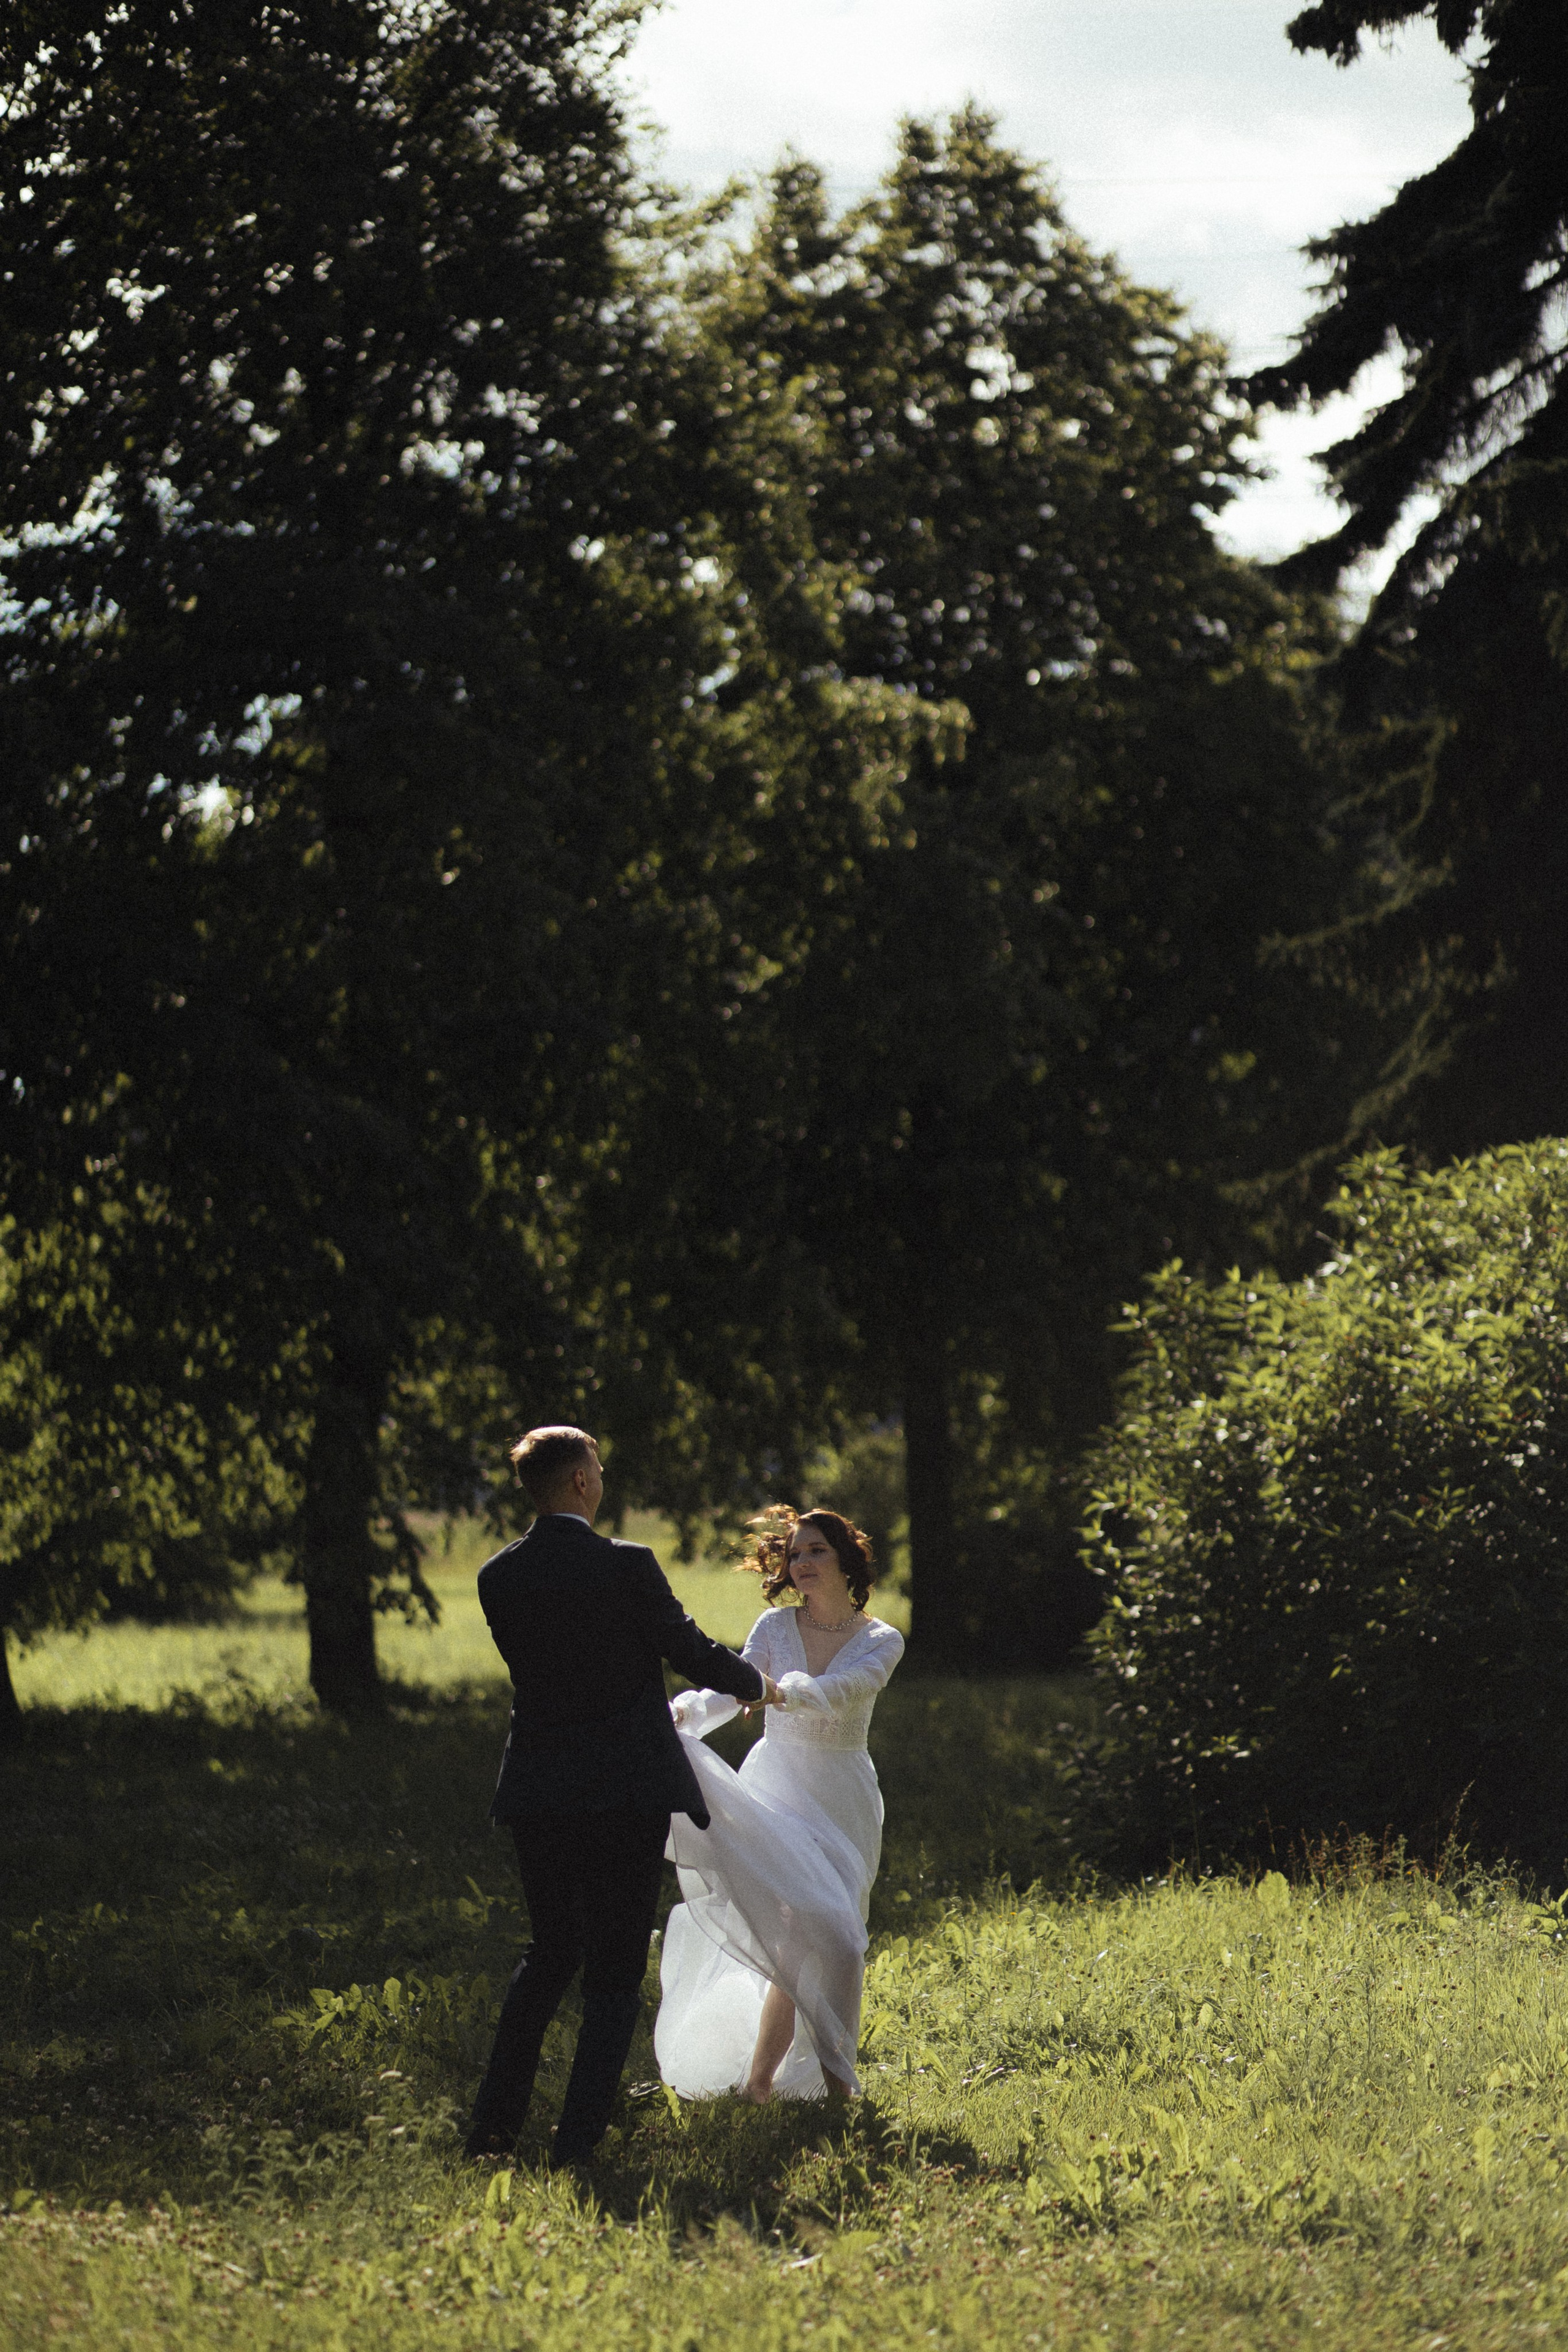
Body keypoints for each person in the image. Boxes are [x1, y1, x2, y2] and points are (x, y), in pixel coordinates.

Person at [464, 1425, 775, 2165]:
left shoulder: (497, 1575)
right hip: (623, 1788)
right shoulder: (625, 1564)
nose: (601, 1478)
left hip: (539, 1786)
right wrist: (756, 1685)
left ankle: (492, 2132)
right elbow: (687, 1648)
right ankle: (576, 2143)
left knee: (550, 1953)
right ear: (580, 1481)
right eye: (597, 1467)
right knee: (613, 1971)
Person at [654, 1505, 904, 2104]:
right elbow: (735, 1687)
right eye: (795, 1554)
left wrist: (779, 1692)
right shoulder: (774, 1627)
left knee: (832, 1939)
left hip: (841, 1800)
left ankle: (775, 2085)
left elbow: (843, 1691)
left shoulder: (882, 1640)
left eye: (816, 1550)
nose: (802, 1563)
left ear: (846, 1560)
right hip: (776, 1788)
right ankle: (820, 2090)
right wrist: (687, 1711)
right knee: (812, 1938)